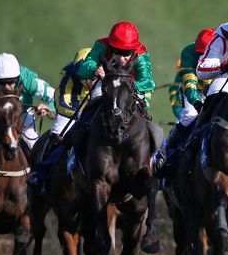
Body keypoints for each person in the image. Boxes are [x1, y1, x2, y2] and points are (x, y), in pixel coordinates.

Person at [58, 21, 162, 155]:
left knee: (150, 126)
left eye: (127, 53)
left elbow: (148, 82)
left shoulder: (141, 54)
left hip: (132, 89)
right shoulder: (101, 45)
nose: (121, 58)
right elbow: (84, 68)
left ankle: (159, 157)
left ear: (134, 50)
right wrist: (94, 70)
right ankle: (69, 151)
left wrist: (128, 85)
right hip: (106, 84)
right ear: (111, 45)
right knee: (89, 112)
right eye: (117, 52)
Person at [26, 47, 93, 191]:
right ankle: (42, 174)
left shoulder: (105, 77)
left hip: (93, 113)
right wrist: (81, 115)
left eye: (91, 78)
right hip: (72, 112)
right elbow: (61, 104)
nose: (87, 81)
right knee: (59, 135)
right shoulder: (69, 77)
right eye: (83, 77)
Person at [157, 27, 215, 169]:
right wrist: (196, 101)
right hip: (196, 91)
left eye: (205, 54)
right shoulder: (189, 52)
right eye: (199, 54)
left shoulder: (226, 52)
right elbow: (189, 83)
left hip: (215, 90)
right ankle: (166, 152)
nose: (201, 58)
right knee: (189, 116)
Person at [0, 52, 56, 151]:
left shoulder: (28, 80)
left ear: (18, 78)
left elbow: (54, 96)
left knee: (33, 144)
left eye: (11, 82)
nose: (6, 87)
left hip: (22, 114)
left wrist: (48, 107)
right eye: (1, 83)